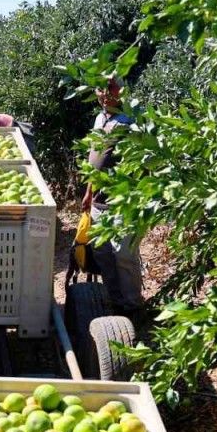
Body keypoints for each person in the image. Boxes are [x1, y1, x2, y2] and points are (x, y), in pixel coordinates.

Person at [80, 77, 144, 315]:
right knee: (103, 253)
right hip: (99, 200)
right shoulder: (100, 118)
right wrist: (88, 192)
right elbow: (94, 157)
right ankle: (116, 301)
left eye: (111, 88)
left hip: (123, 202)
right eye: (101, 88)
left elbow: (144, 160)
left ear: (122, 90)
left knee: (124, 255)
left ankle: (133, 305)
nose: (105, 94)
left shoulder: (131, 120)